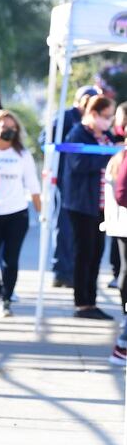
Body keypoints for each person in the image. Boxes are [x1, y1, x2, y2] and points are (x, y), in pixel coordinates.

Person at [62, 95, 118, 320]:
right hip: (82, 205)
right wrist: (109, 155)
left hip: (102, 206)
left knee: (96, 254)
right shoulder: (77, 134)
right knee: (84, 254)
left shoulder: (106, 136)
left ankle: (91, 301)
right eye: (106, 116)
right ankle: (82, 303)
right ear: (93, 114)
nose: (109, 120)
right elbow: (78, 163)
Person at [0, 109, 41, 317]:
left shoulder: (22, 155)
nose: (8, 130)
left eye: (12, 127)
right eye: (3, 126)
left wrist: (41, 212)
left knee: (11, 259)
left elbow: (33, 185)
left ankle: (6, 299)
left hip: (17, 213)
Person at [52, 86, 101, 288]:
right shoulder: (65, 118)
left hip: (87, 184)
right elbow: (47, 139)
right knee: (65, 226)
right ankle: (62, 270)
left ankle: (72, 271)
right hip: (67, 181)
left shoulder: (93, 125)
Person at [102, 147, 127, 365]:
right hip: (122, 224)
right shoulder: (121, 158)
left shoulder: (119, 156)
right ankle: (123, 344)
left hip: (120, 224)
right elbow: (120, 194)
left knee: (124, 272)